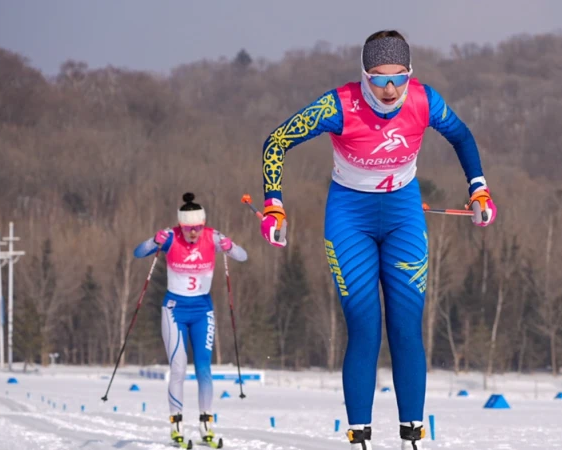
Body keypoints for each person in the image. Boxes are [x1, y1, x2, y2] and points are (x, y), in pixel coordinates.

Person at [257, 30, 496, 449]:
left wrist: (478, 188)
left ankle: (412, 437)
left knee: (406, 326)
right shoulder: (339, 104)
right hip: (350, 218)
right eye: (378, 78)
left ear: (410, 74)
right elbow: (276, 141)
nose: (389, 89)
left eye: (399, 77)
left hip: (403, 215)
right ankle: (360, 437)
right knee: (365, 328)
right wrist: (274, 203)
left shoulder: (424, 100)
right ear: (362, 75)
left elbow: (462, 136)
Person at [134, 192, 247, 449]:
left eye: (197, 228)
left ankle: (206, 423)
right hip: (174, 309)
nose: (193, 233)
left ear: (203, 224)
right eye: (188, 228)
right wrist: (154, 241)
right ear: (181, 225)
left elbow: (243, 256)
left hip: (202, 310)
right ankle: (176, 425)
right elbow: (138, 252)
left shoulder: (213, 237)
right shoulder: (171, 237)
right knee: (179, 366)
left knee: (204, 369)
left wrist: (230, 246)